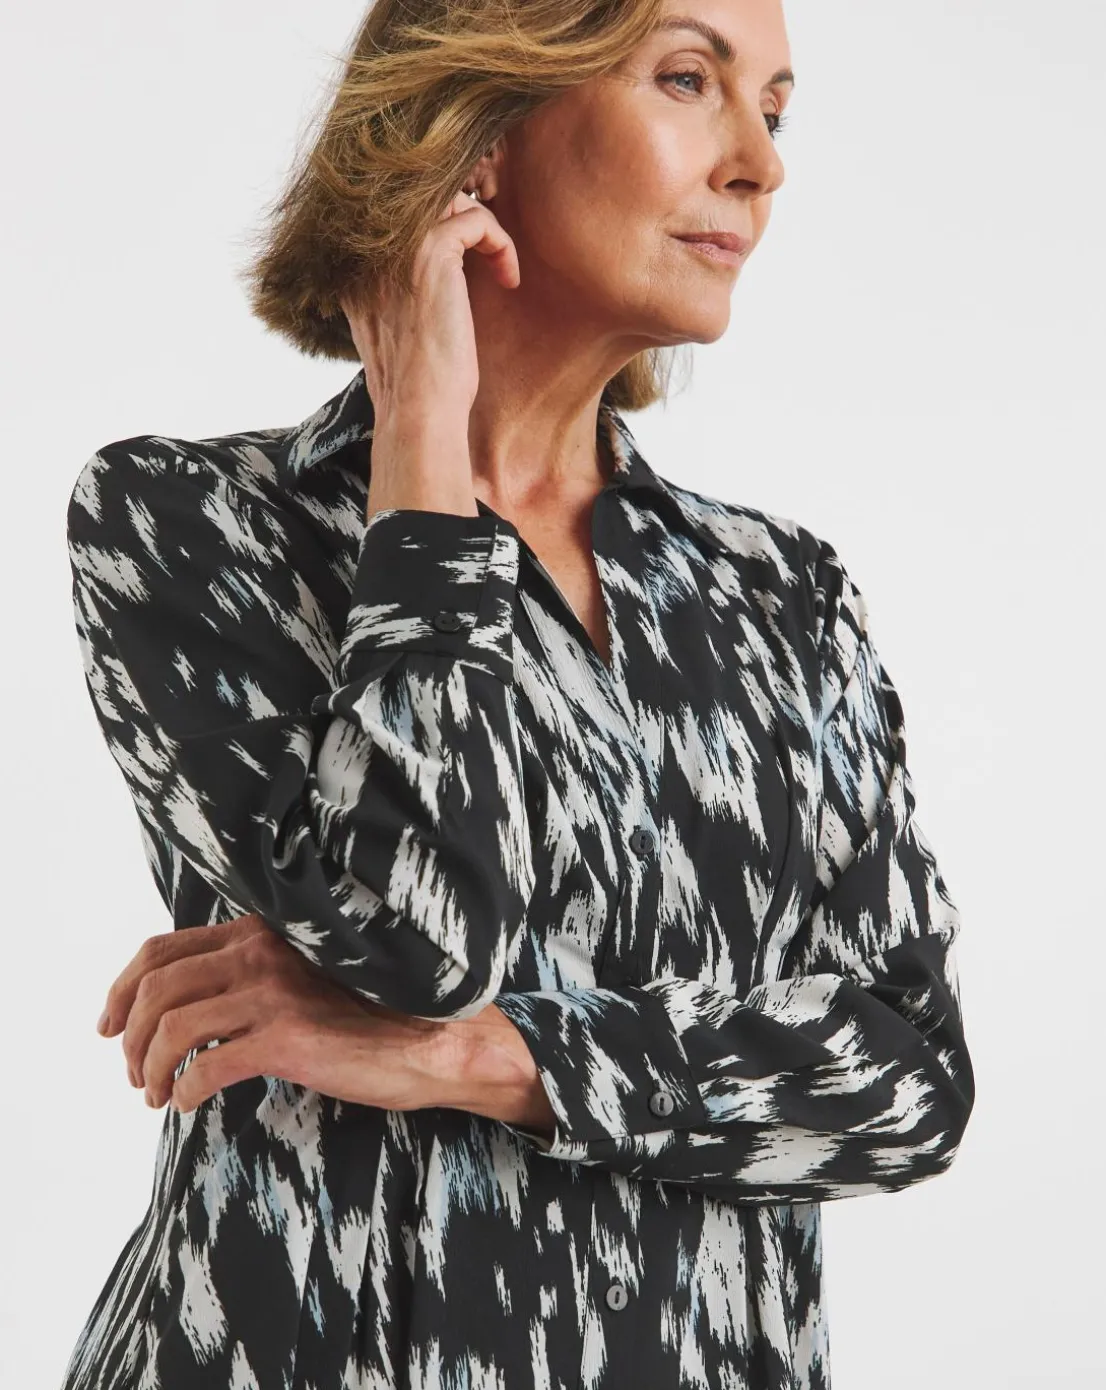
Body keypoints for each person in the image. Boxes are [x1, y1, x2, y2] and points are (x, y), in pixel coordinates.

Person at [61, 0, 975, 1385]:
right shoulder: (192, 523)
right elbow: (409, 937)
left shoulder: (779, 597)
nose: (760, 164)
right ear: (479, 127)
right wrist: (424, 450)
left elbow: (908, 1077)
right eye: (689, 80)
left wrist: (485, 1057)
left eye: (776, 109)